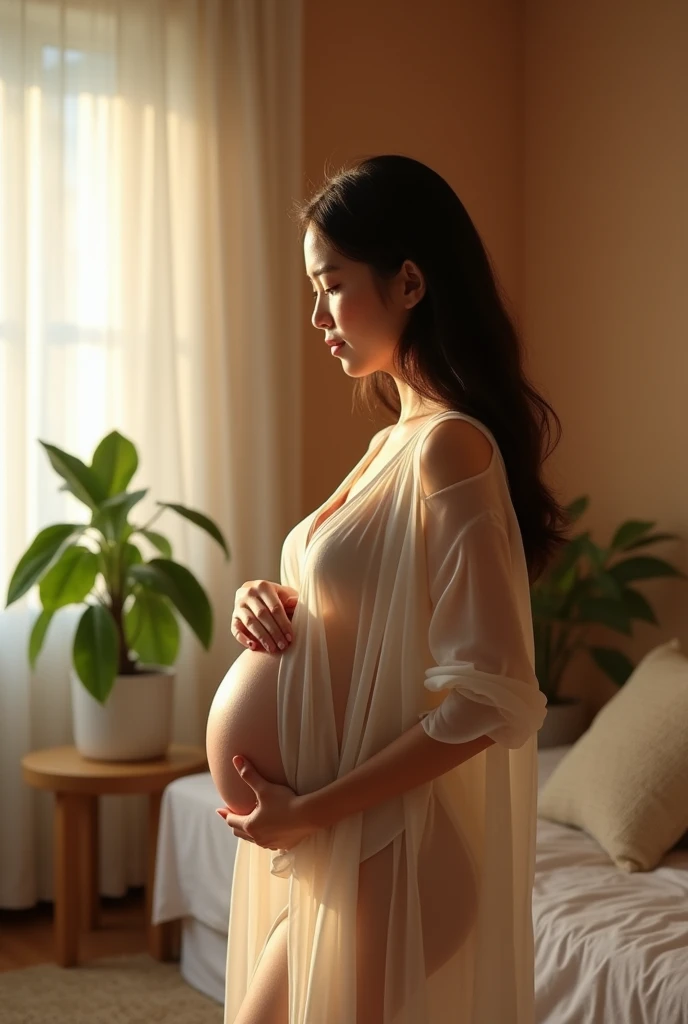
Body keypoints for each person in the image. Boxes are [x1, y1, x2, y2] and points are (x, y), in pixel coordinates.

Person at [218, 154, 569, 1023]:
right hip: (348, 841)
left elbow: (489, 700)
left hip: (393, 850)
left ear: (408, 281)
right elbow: (359, 610)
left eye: (332, 286)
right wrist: (266, 594)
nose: (317, 315)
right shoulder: (392, 444)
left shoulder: (454, 449)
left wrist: (308, 810)